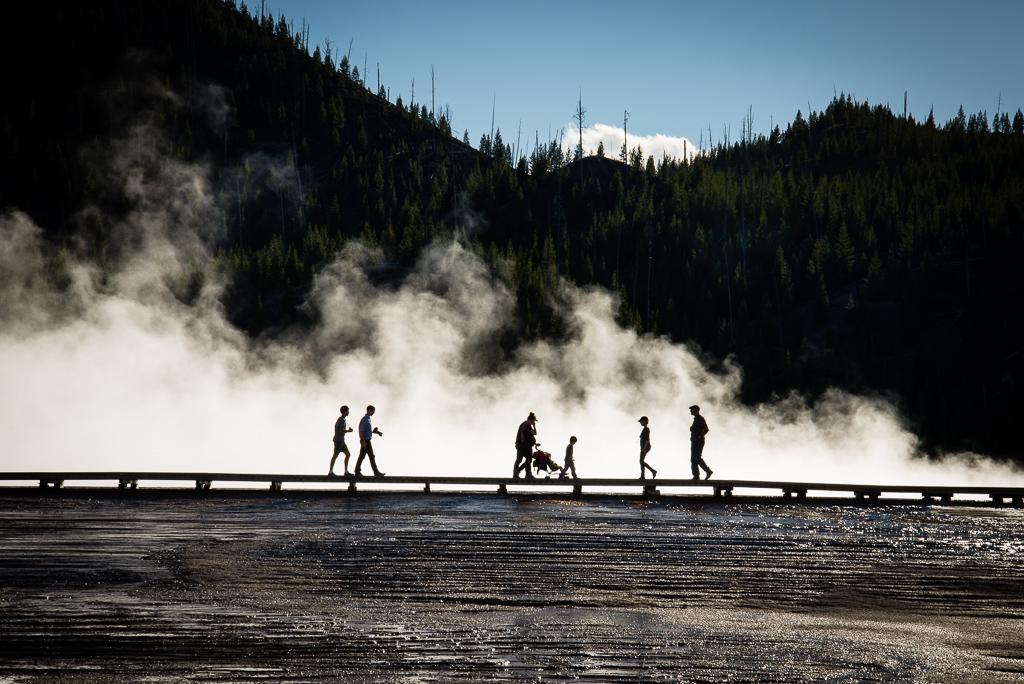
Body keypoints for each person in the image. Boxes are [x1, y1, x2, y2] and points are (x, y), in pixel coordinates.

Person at [355, 405, 385, 478]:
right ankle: (376, 472)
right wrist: (363, 441)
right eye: (373, 411)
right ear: (369, 410)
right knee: (371, 456)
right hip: (365, 441)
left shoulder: (368, 419)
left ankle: (357, 471)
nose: (373, 412)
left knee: (362, 456)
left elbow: (368, 431)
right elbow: (361, 431)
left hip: (366, 440)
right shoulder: (365, 419)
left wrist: (377, 432)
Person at [689, 404, 713, 480]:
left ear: (696, 410)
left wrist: (699, 437)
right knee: (694, 459)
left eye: (692, 410)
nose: (690, 411)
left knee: (696, 458)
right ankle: (697, 476)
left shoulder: (700, 419)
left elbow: (706, 429)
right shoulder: (696, 419)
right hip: (694, 441)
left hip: (698, 442)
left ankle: (706, 471)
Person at [329, 405, 353, 477]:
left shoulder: (342, 419)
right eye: (347, 411)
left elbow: (338, 429)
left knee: (348, 455)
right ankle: (330, 472)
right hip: (339, 441)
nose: (348, 412)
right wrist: (349, 431)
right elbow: (340, 430)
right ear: (344, 411)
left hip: (341, 441)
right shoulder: (341, 420)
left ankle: (346, 471)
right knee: (335, 456)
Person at [513, 412, 538, 480]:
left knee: (521, 459)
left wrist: (534, 443)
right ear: (531, 419)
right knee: (527, 459)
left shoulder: (524, 424)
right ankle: (521, 472)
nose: (534, 422)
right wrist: (534, 426)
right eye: (533, 420)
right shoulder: (527, 425)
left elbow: (529, 436)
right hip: (523, 446)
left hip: (521, 445)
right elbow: (534, 433)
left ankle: (522, 474)